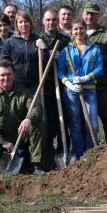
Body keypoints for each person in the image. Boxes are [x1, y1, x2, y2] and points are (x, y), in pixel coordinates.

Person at [0, 60, 44, 174]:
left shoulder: (23, 92)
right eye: (2, 75)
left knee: (37, 123)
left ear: (14, 75)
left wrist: (29, 119)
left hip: (19, 136)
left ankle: (36, 165)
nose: (5, 78)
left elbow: (36, 108)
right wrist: (2, 141)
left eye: (8, 74)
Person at [57, 19, 103, 159]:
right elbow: (60, 71)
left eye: (81, 28)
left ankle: (90, 154)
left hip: (89, 89)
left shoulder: (95, 48)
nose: (79, 32)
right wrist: (68, 83)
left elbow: (99, 68)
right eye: (76, 29)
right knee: (75, 124)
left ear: (85, 29)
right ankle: (79, 154)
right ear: (72, 31)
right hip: (72, 91)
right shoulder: (67, 49)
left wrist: (85, 77)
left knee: (92, 124)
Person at [82, 2, 107, 145]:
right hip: (84, 86)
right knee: (85, 121)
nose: (89, 16)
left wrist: (98, 59)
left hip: (103, 85)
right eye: (87, 13)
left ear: (98, 16)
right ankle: (89, 151)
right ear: (82, 14)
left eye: (93, 14)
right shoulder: (77, 32)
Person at [37, 9, 71, 169]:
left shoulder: (64, 40)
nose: (51, 23)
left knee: (63, 123)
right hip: (45, 87)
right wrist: (45, 52)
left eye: (54, 20)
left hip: (62, 86)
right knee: (47, 124)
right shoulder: (37, 39)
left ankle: (63, 151)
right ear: (43, 21)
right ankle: (48, 157)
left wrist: (62, 57)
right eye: (48, 20)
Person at [0, 11, 42, 94]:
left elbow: (45, 62)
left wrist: (44, 49)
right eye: (20, 22)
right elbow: (3, 64)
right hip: (15, 84)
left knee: (35, 107)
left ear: (30, 23)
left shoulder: (38, 40)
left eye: (26, 21)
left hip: (35, 85)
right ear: (16, 25)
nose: (23, 24)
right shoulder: (9, 42)